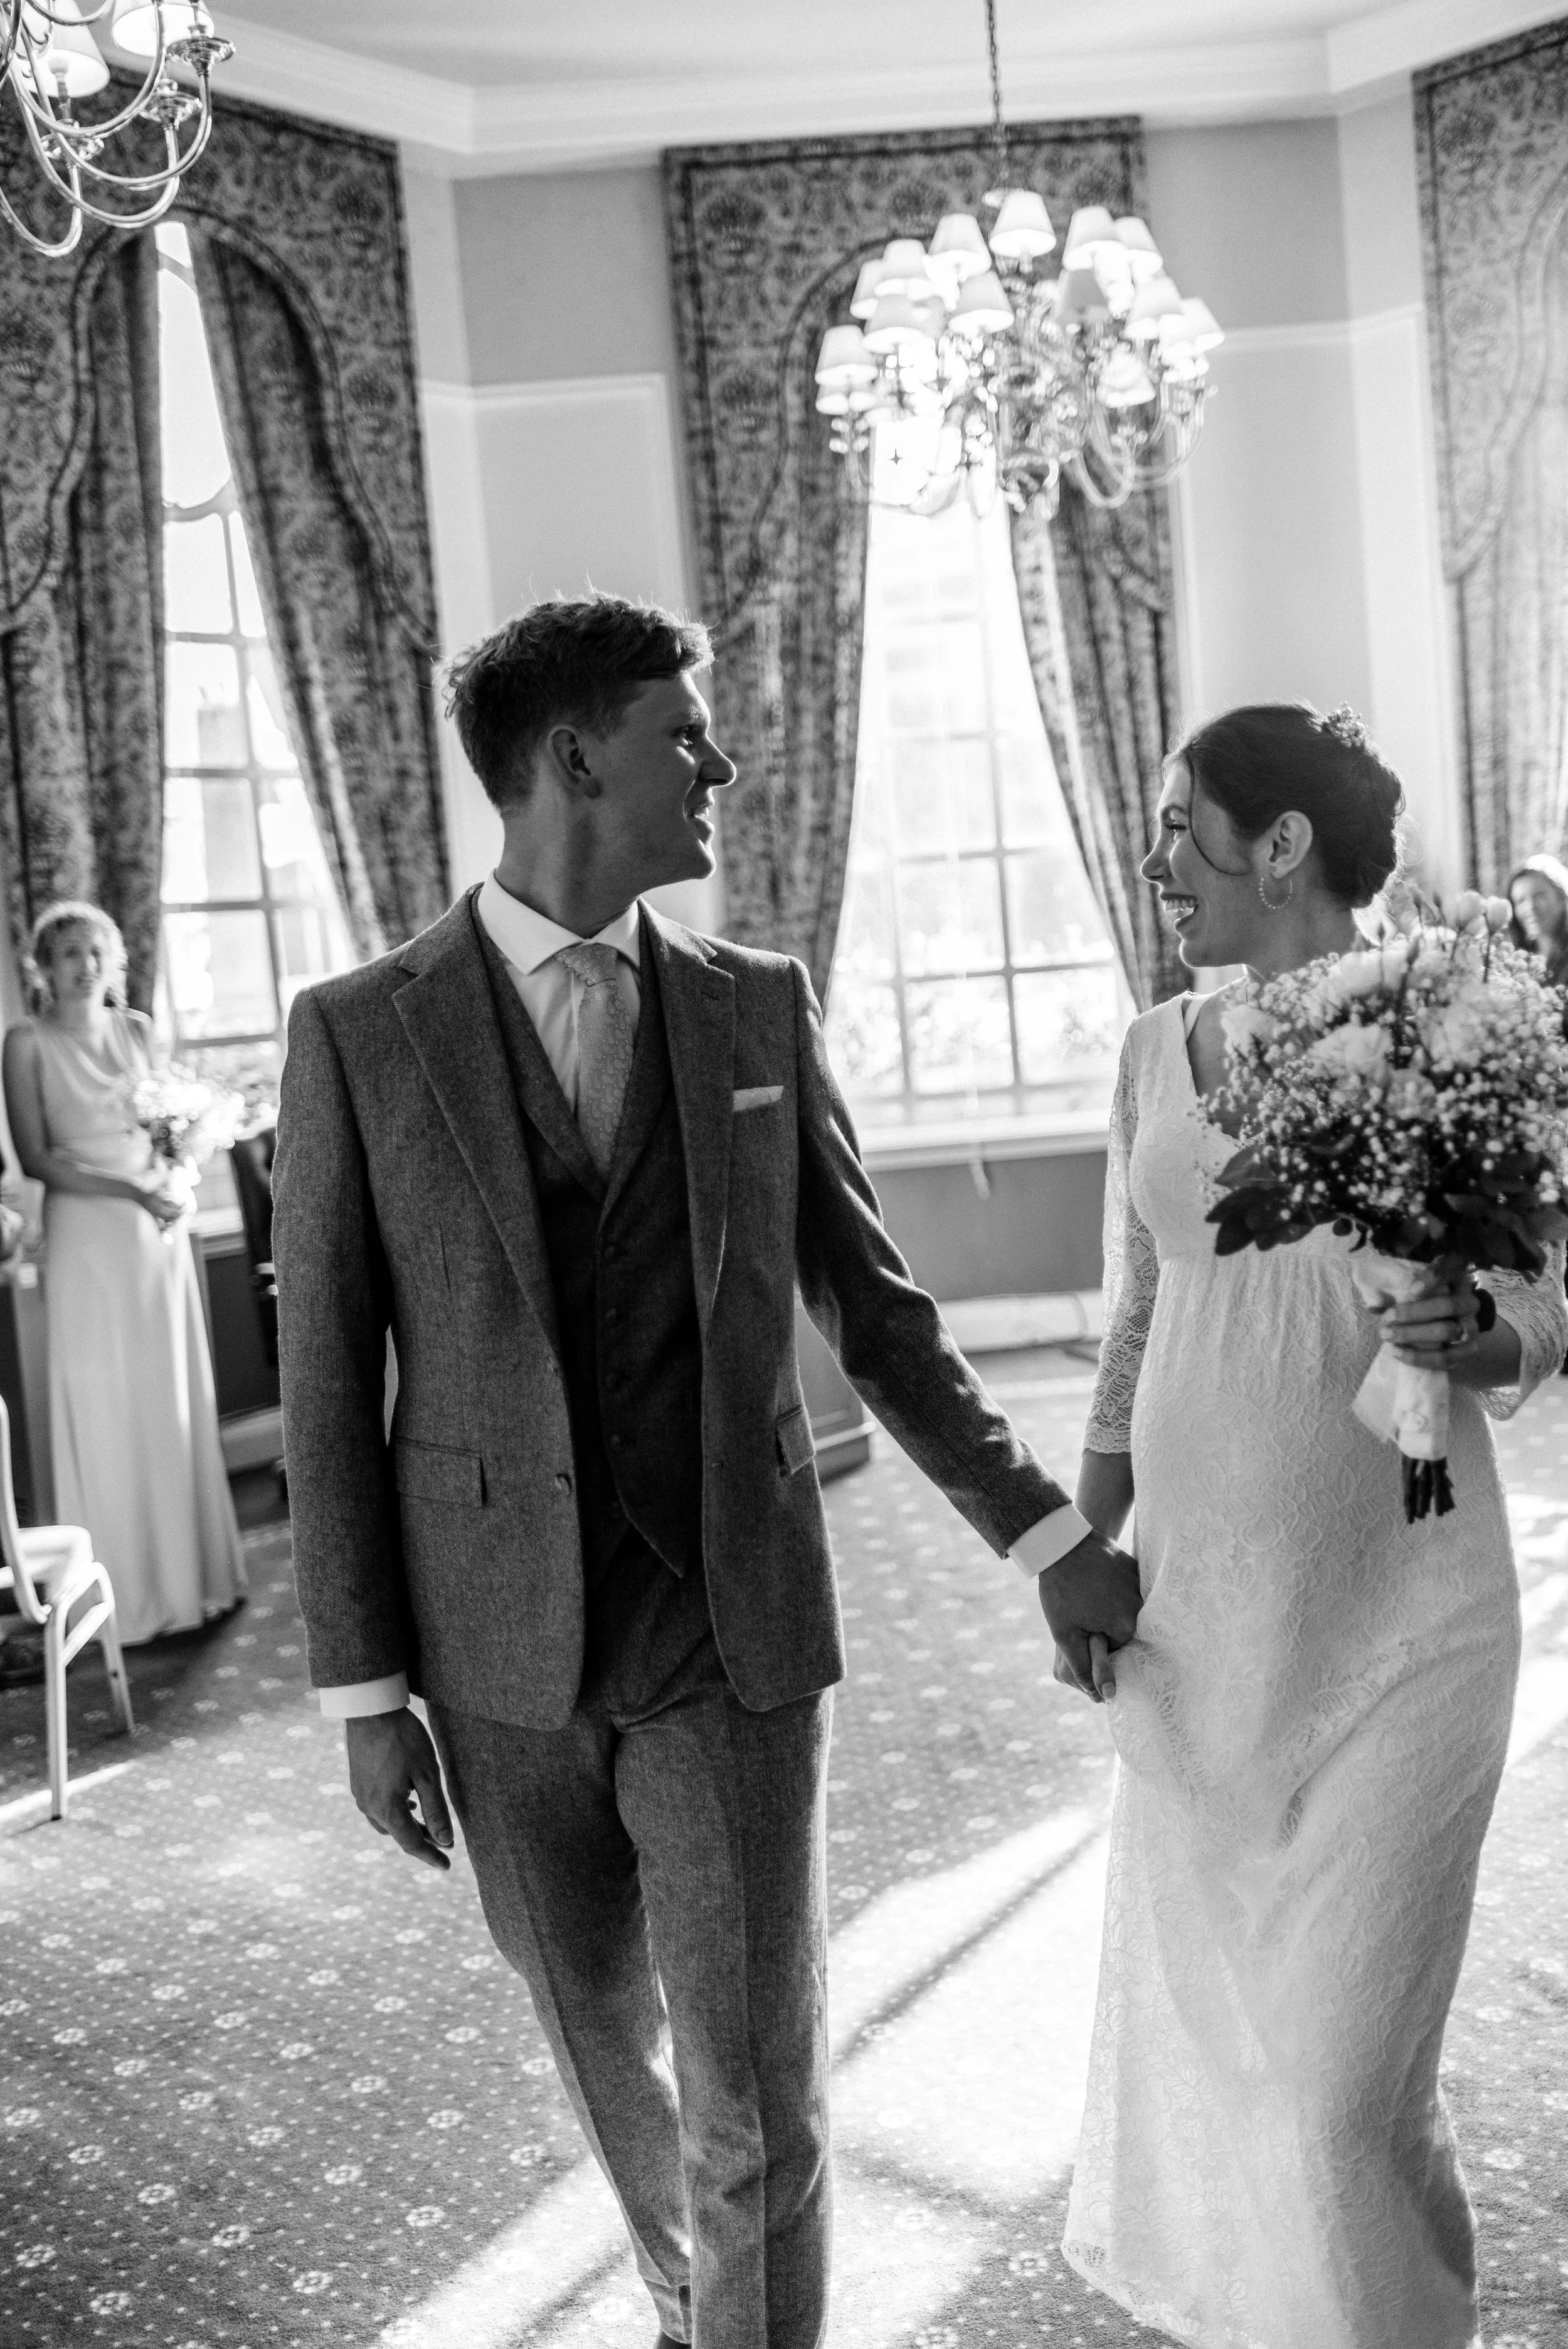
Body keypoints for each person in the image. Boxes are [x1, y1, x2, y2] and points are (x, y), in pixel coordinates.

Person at [272, 593, 1141, 2349]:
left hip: (727, 1631)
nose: (721, 764)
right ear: (576, 758)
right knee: (604, 2055)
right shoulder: (361, 1032)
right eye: (685, 731)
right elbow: (322, 1375)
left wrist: (1041, 1531)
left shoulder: (754, 1009)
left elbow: (876, 1311)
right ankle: (692, 2288)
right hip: (491, 1645)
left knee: (762, 2092)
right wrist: (366, 1691)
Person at [1058, 704, 1567, 2346]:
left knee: (1342, 2091)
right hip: (1201, 1617)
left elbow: (1538, 1291)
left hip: (1407, 1599)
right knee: (1249, 2060)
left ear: (1280, 844)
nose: (1151, 861)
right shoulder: (1151, 1050)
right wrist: (1086, 1537)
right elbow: (1133, 1306)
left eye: (1175, 821)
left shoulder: (1445, 1022)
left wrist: (1471, 1339)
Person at [1, 901, 245, 1645]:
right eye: (70, 952)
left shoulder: (137, 1029)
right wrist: (135, 1191)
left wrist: (173, 1179)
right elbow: (38, 1156)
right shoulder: (26, 1044)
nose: (86, 965)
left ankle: (195, 1577)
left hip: (157, 1237)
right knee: (106, 1402)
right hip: (89, 1239)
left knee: (166, 1396)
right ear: (44, 965)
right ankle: (129, 1597)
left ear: (115, 961)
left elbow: (167, 1127)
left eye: (97, 951)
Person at [1507, 851, 1568, 995]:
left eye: (1539, 896)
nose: (1531, 908)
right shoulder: (1517, 958)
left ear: (1561, 898)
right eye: (1520, 901)